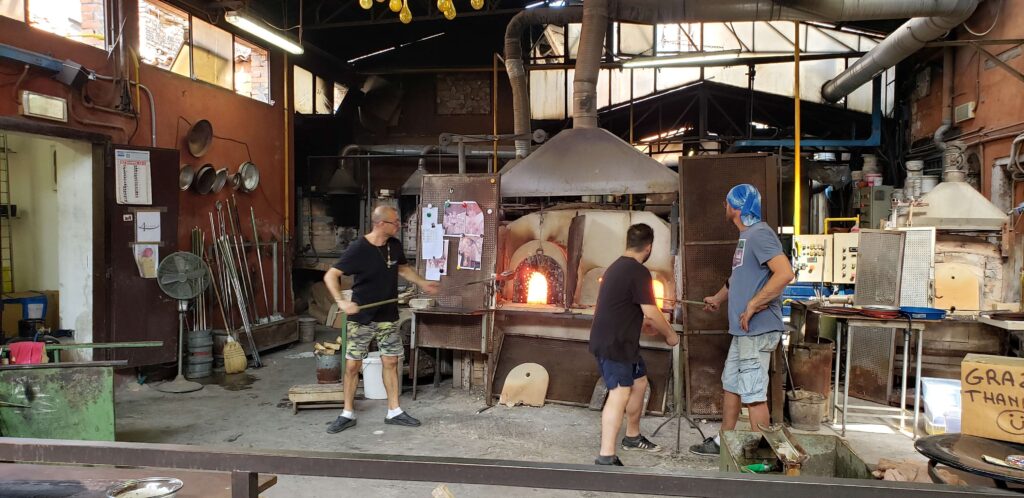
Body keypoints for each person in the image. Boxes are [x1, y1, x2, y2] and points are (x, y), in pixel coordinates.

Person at [690, 184, 794, 456]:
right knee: (732, 385)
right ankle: (724, 441)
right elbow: (738, 278)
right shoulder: (746, 236)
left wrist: (753, 304)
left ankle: (764, 453)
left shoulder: (760, 234)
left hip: (757, 329)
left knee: (753, 392)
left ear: (736, 207)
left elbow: (784, 274)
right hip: (744, 331)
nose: (724, 208)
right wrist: (718, 298)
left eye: (726, 203)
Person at [323, 206, 439, 434]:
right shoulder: (359, 248)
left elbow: (404, 270)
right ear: (380, 224)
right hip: (361, 317)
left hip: (388, 315)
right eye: (395, 223)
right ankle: (347, 413)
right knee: (353, 365)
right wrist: (341, 302)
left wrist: (422, 282)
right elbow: (331, 275)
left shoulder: (394, 246)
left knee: (391, 362)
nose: (399, 226)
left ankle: (394, 411)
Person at [589, 223, 679, 466]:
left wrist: (640, 324)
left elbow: (621, 307)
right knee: (619, 393)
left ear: (628, 243)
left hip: (621, 341)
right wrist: (670, 335)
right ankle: (606, 455)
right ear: (649, 247)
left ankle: (632, 435)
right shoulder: (638, 271)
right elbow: (650, 310)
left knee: (639, 382)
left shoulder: (615, 267)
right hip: (615, 344)